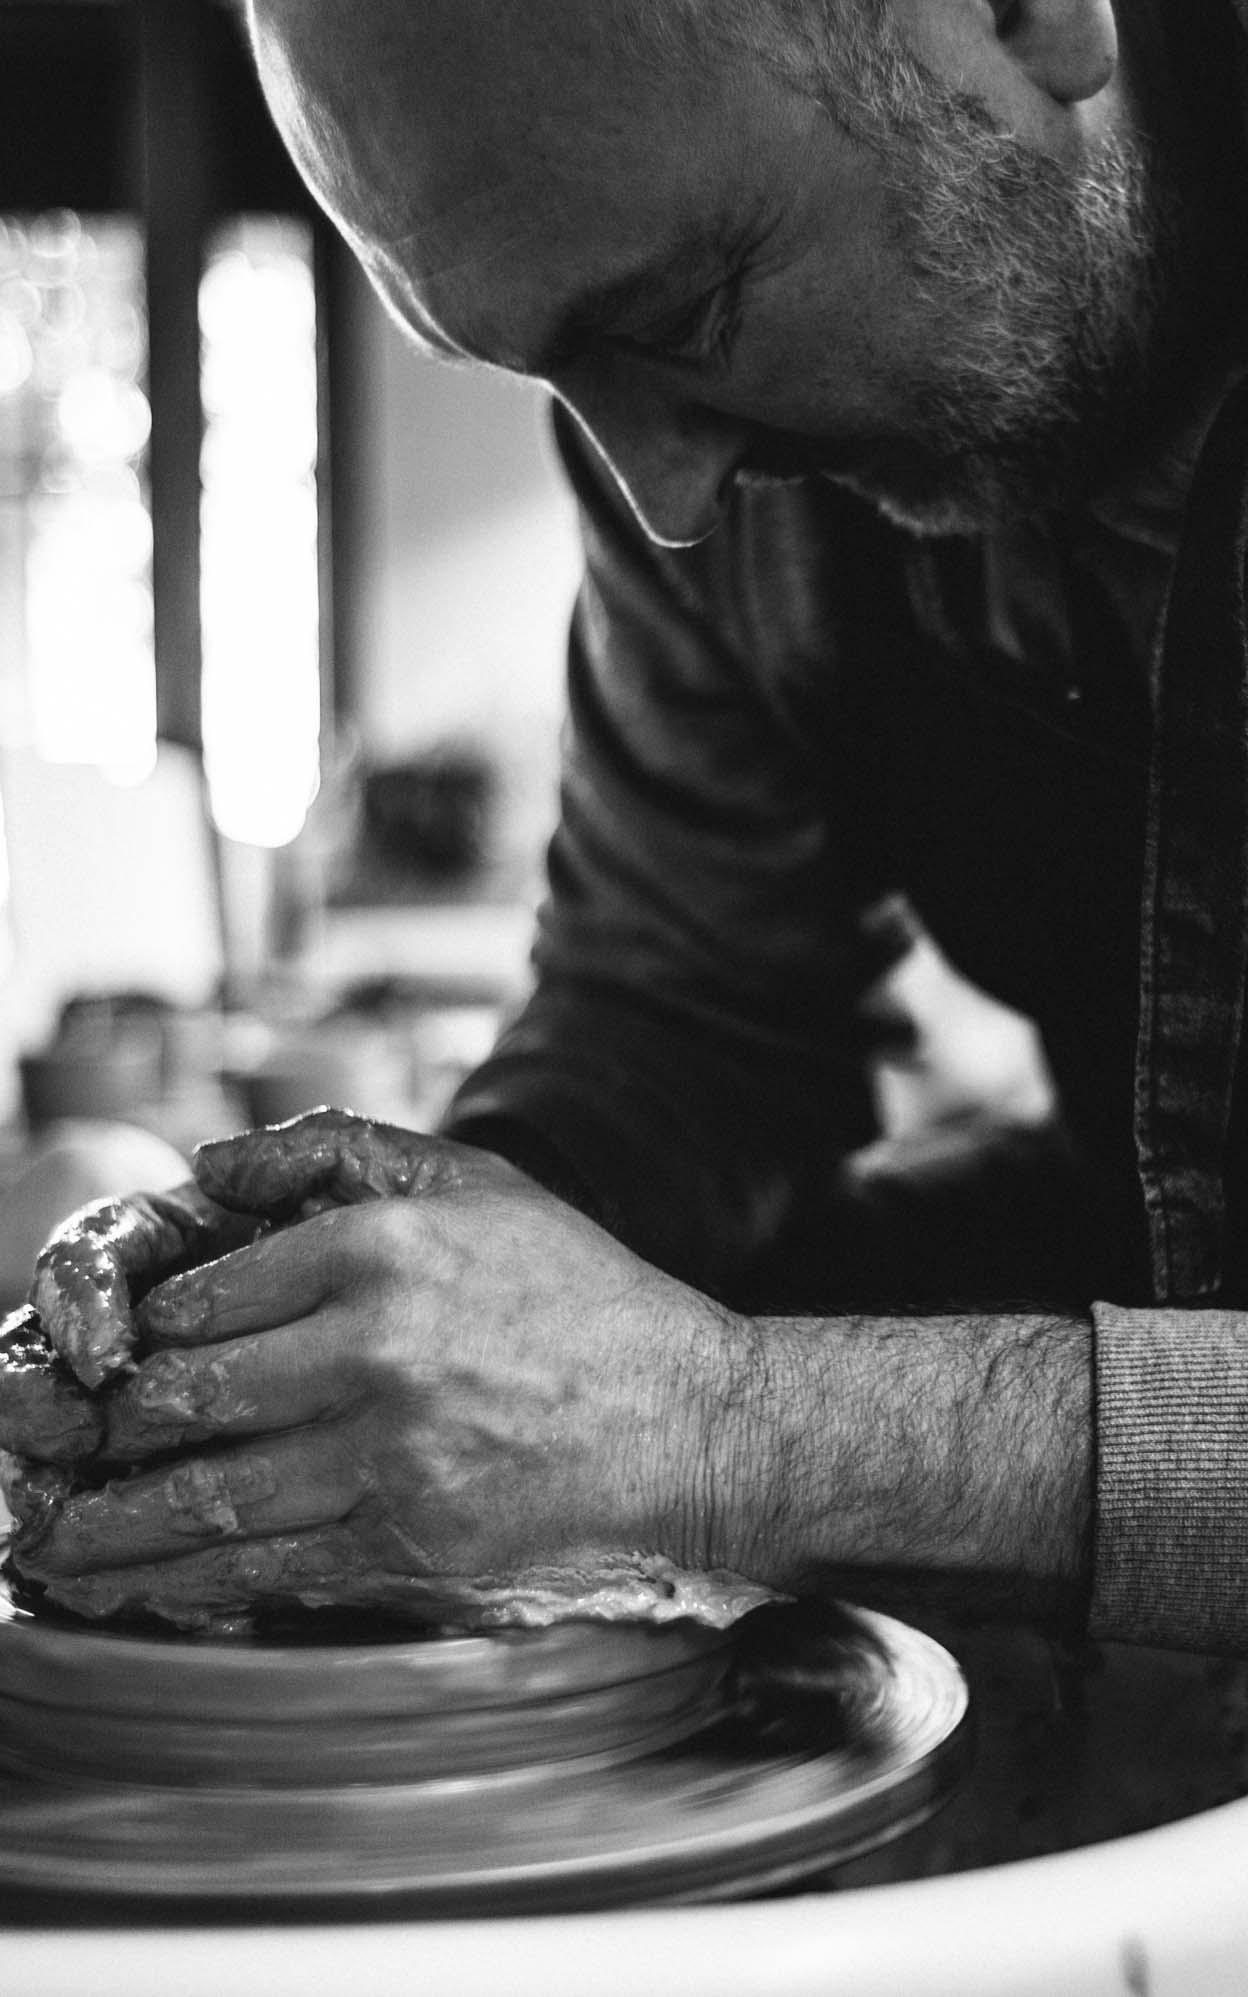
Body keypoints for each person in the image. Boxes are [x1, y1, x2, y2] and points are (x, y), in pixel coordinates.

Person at [4, 0, 1248, 1651]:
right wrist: (359, 1287)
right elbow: (685, 1020)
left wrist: (733, 1427)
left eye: (688, 311)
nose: (659, 493)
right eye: (549, 375)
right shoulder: (704, 447)